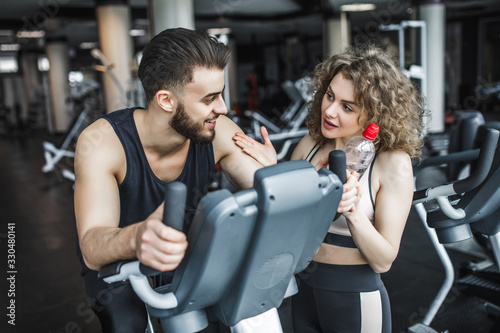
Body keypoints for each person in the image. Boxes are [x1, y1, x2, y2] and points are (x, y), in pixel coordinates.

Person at [74, 28, 263, 332]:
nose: (224, 108)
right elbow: (92, 247)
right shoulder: (102, 142)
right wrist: (137, 238)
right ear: (166, 100)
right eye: (210, 98)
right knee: (126, 323)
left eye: (221, 94)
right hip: (118, 265)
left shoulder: (218, 130)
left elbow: (269, 193)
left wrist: (280, 174)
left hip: (185, 253)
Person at [233, 44, 425, 333]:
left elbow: (384, 260)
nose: (330, 111)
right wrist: (273, 172)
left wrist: (353, 212)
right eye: (330, 96)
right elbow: (285, 224)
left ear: (374, 114)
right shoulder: (310, 145)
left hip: (355, 297)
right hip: (303, 289)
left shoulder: (391, 163)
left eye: (347, 107)